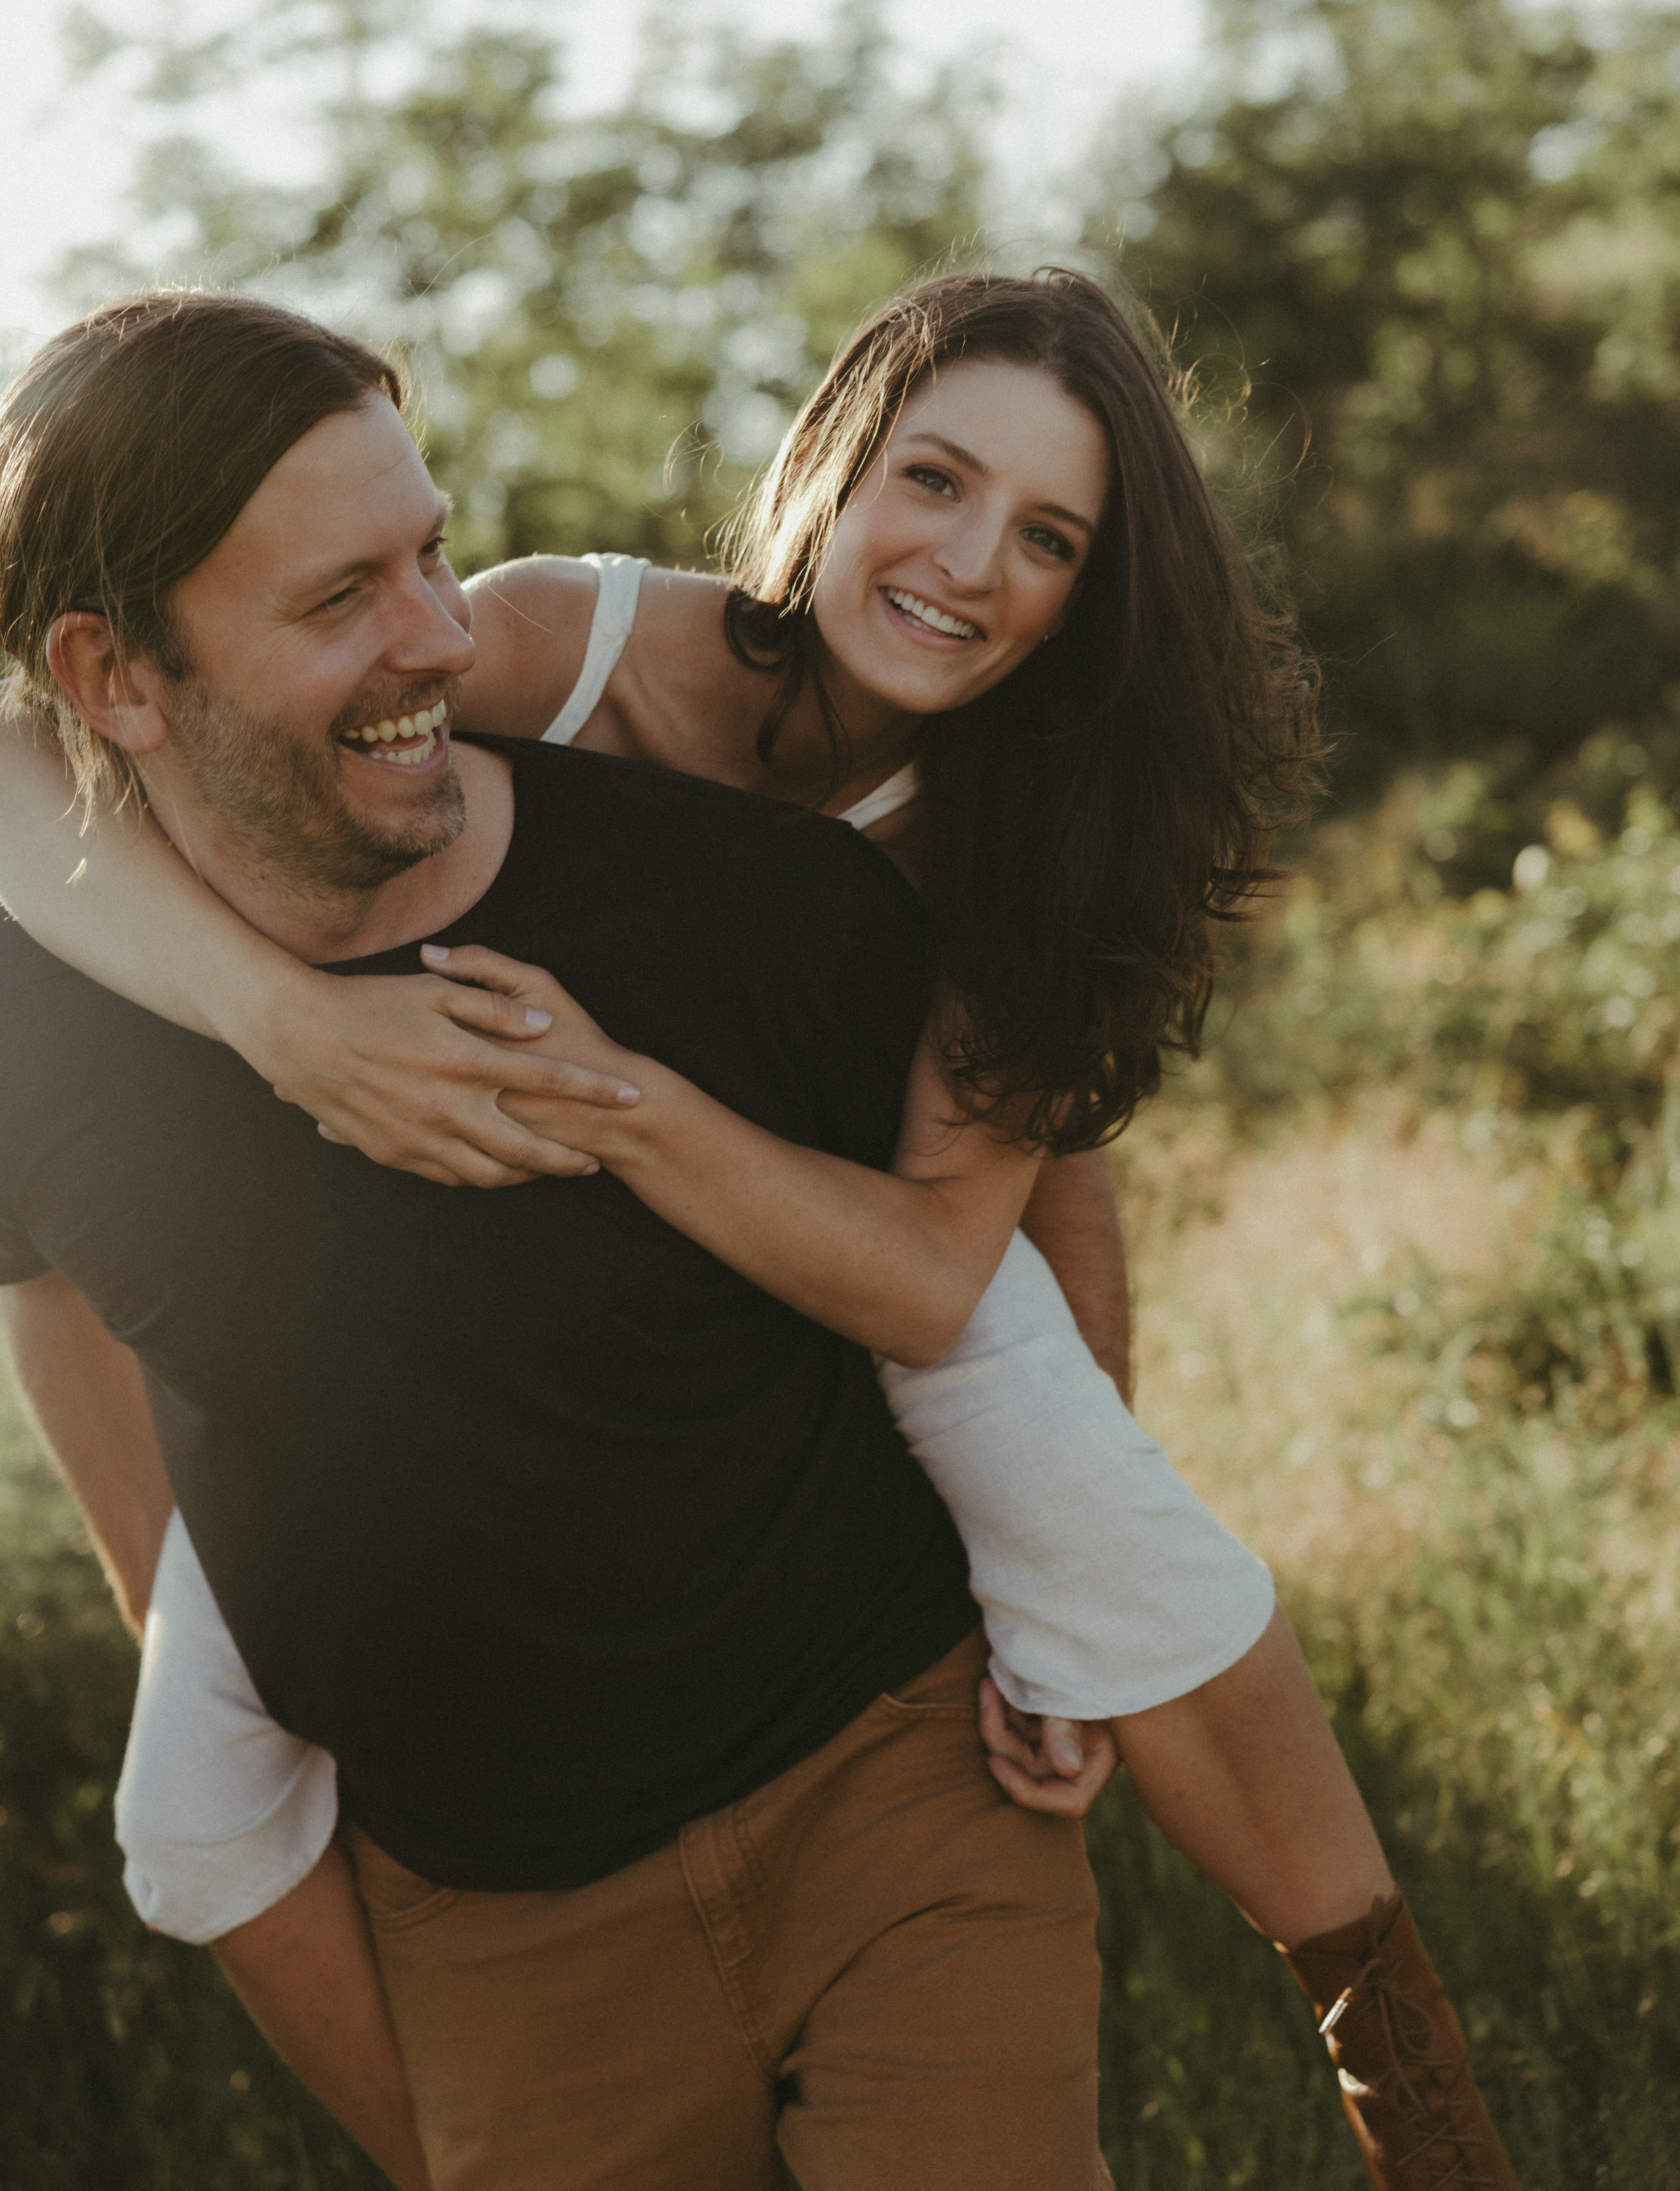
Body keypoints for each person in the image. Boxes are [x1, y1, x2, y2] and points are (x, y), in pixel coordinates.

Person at [0, 276, 1523, 2191]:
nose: (970, 566)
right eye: (937, 480)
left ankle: (1397, 2060)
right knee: (192, 1808)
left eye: (1047, 538)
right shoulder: (554, 640)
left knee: (1094, 1503)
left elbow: (975, 1249)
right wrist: (281, 1018)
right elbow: (46, 759)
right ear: (832, 466)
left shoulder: (1023, 832)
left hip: (881, 1239)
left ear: (1094, 596)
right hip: (445, 1345)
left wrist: (1034, 1613)